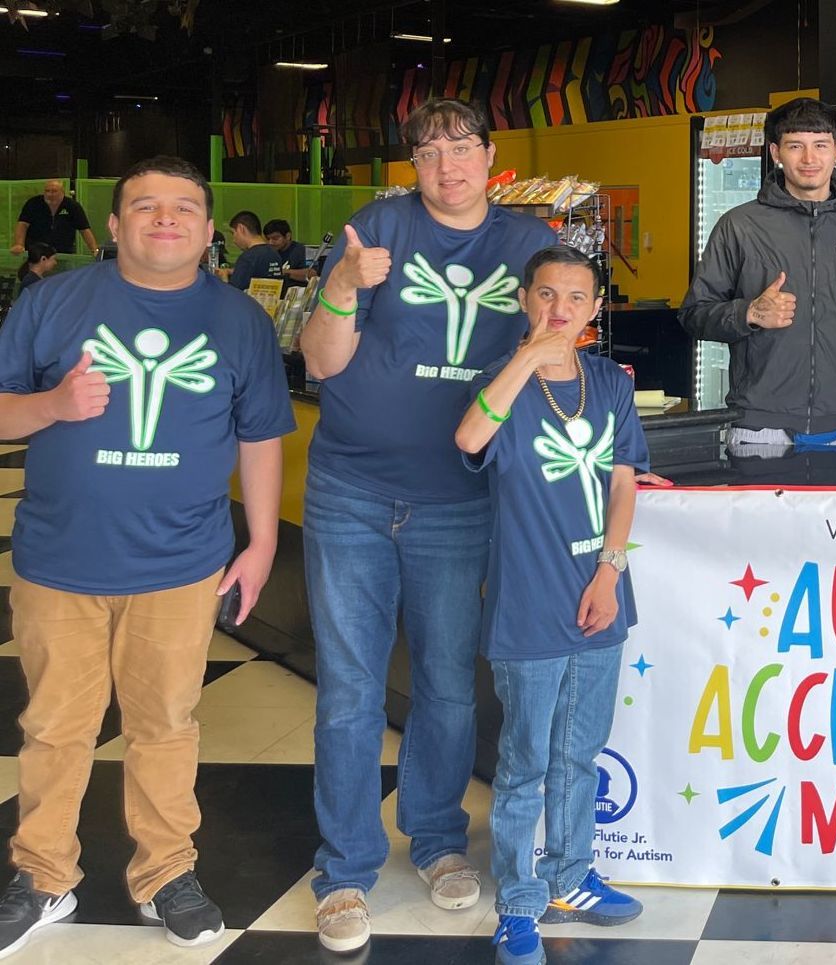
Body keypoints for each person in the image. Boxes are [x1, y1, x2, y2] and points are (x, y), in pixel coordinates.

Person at [0, 155, 293, 958]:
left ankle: (167, 870)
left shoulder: (240, 320)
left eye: (184, 208)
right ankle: (42, 873)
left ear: (206, 229)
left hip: (182, 561)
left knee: (166, 724)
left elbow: (262, 433)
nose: (166, 219)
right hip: (59, 560)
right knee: (56, 725)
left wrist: (261, 541)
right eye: (146, 206)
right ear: (118, 223)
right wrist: (52, 404)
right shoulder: (51, 301)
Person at [297, 97, 558, 953]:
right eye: (428, 151)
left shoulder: (525, 245)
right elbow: (322, 360)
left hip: (459, 496)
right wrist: (341, 285)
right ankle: (344, 869)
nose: (447, 164)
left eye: (462, 147)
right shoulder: (374, 227)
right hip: (351, 491)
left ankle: (441, 839)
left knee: (447, 680)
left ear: (491, 156)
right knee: (348, 689)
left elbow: (555, 359)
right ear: (412, 165)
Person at [455, 245, 668, 965]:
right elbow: (469, 436)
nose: (560, 310)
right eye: (546, 295)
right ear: (524, 300)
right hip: (526, 603)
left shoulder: (608, 382)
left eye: (576, 298)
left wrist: (610, 570)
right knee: (522, 764)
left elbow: (622, 479)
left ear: (596, 309)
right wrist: (526, 357)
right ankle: (517, 903)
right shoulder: (503, 386)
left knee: (580, 750)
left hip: (600, 594)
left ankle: (570, 874)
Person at [680, 98, 836, 455]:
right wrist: (749, 314)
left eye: (820, 145)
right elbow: (694, 314)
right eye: (795, 146)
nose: (809, 158)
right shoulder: (740, 225)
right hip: (760, 427)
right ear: (776, 153)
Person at [11, 179, 98, 256]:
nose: (50, 194)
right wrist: (19, 244)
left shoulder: (72, 206)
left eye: (54, 191)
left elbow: (84, 229)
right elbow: (22, 224)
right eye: (47, 191)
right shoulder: (33, 203)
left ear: (62, 192)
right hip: (35, 253)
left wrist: (94, 250)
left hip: (63, 254)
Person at [225, 210, 281, 291]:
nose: (234, 240)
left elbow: (233, 293)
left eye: (234, 233)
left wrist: (224, 278)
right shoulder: (275, 254)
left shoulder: (248, 257)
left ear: (241, 228)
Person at [263, 219, 316, 284]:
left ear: (288, 236)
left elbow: (312, 274)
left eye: (275, 238)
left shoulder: (303, 251)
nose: (270, 242)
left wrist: (284, 272)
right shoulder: (268, 253)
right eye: (268, 239)